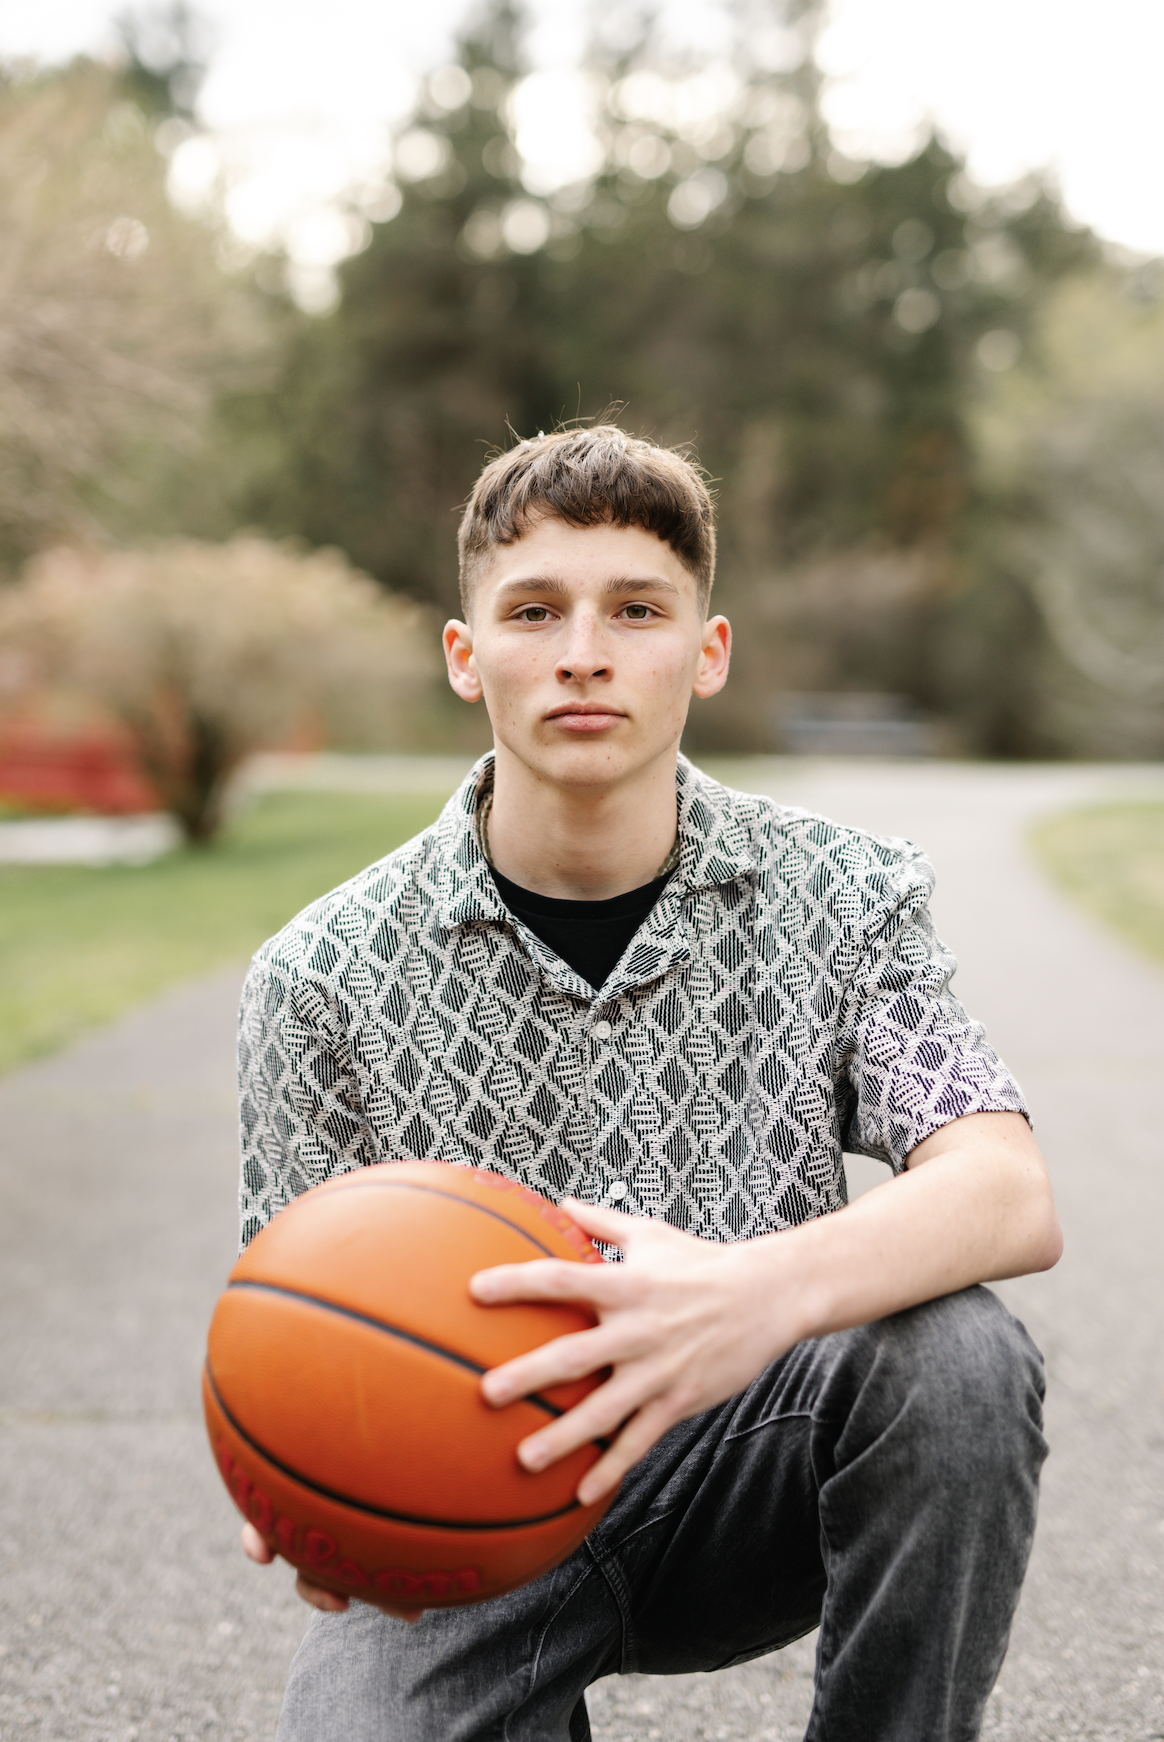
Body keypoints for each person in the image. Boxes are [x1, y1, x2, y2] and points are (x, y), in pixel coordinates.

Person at [235, 425, 1062, 1742]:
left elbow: (1007, 1189)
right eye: (534, 610)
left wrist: (747, 1294)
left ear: (707, 650)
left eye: (635, 608)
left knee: (957, 1357)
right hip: (469, 1507)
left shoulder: (842, 895)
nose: (583, 650)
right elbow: (287, 1339)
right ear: (467, 656)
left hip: (749, 1462)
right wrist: (300, 1484)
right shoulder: (320, 975)